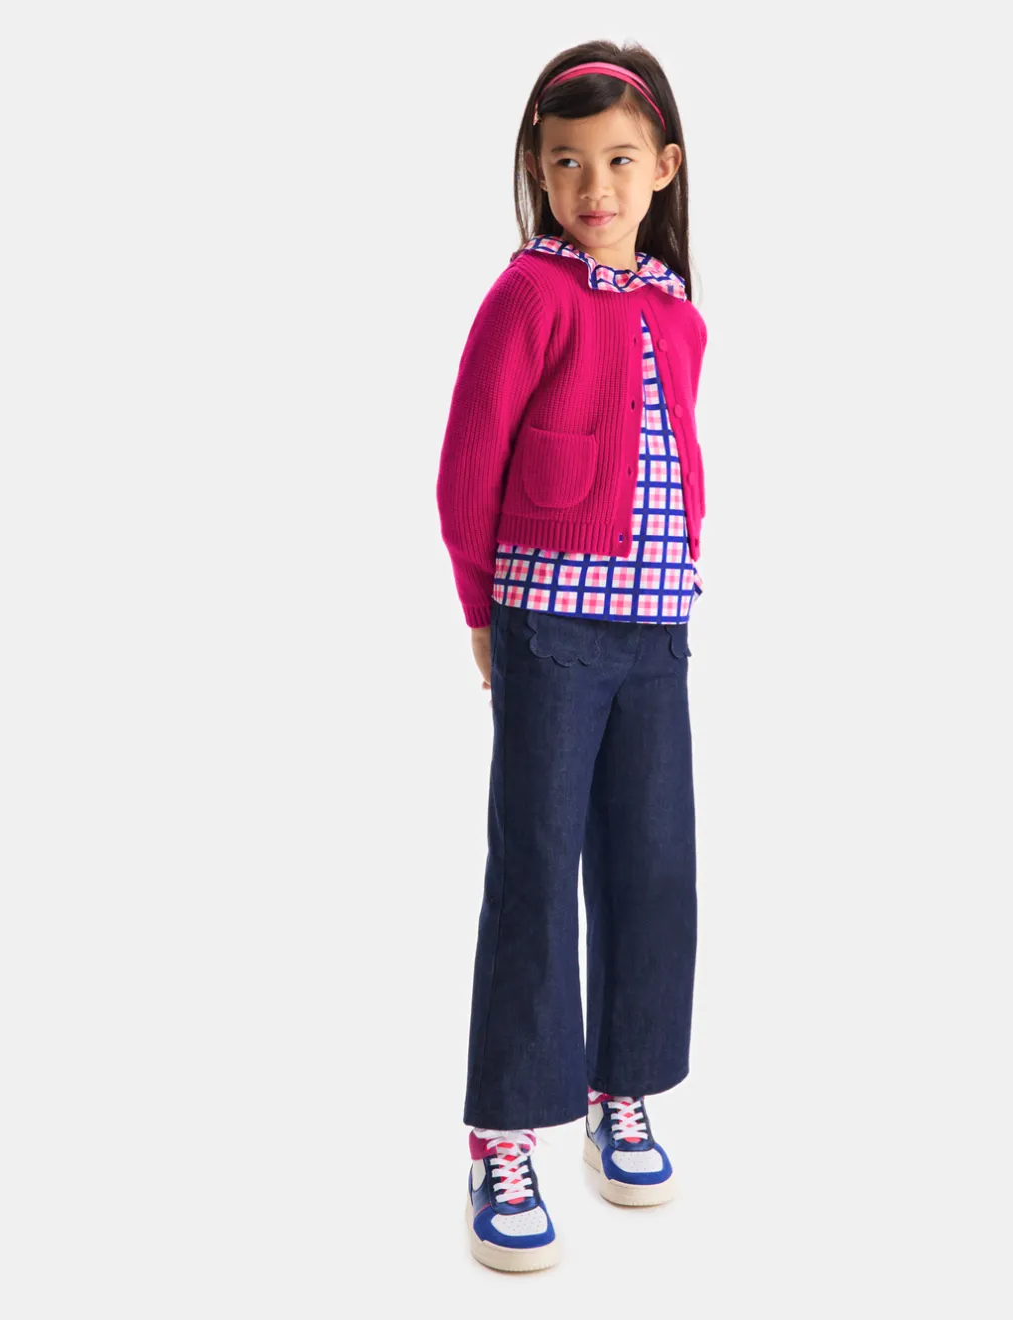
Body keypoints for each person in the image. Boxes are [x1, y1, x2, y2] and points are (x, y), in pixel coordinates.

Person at [435, 42, 709, 1273]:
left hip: (655, 629)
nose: (594, 187)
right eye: (566, 163)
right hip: (549, 624)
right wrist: (482, 613)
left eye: (618, 161)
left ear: (664, 169)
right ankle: (504, 1131)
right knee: (538, 867)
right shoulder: (527, 297)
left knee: (654, 864)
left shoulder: (676, 313)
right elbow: (466, 470)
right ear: (538, 174)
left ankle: (622, 1090)